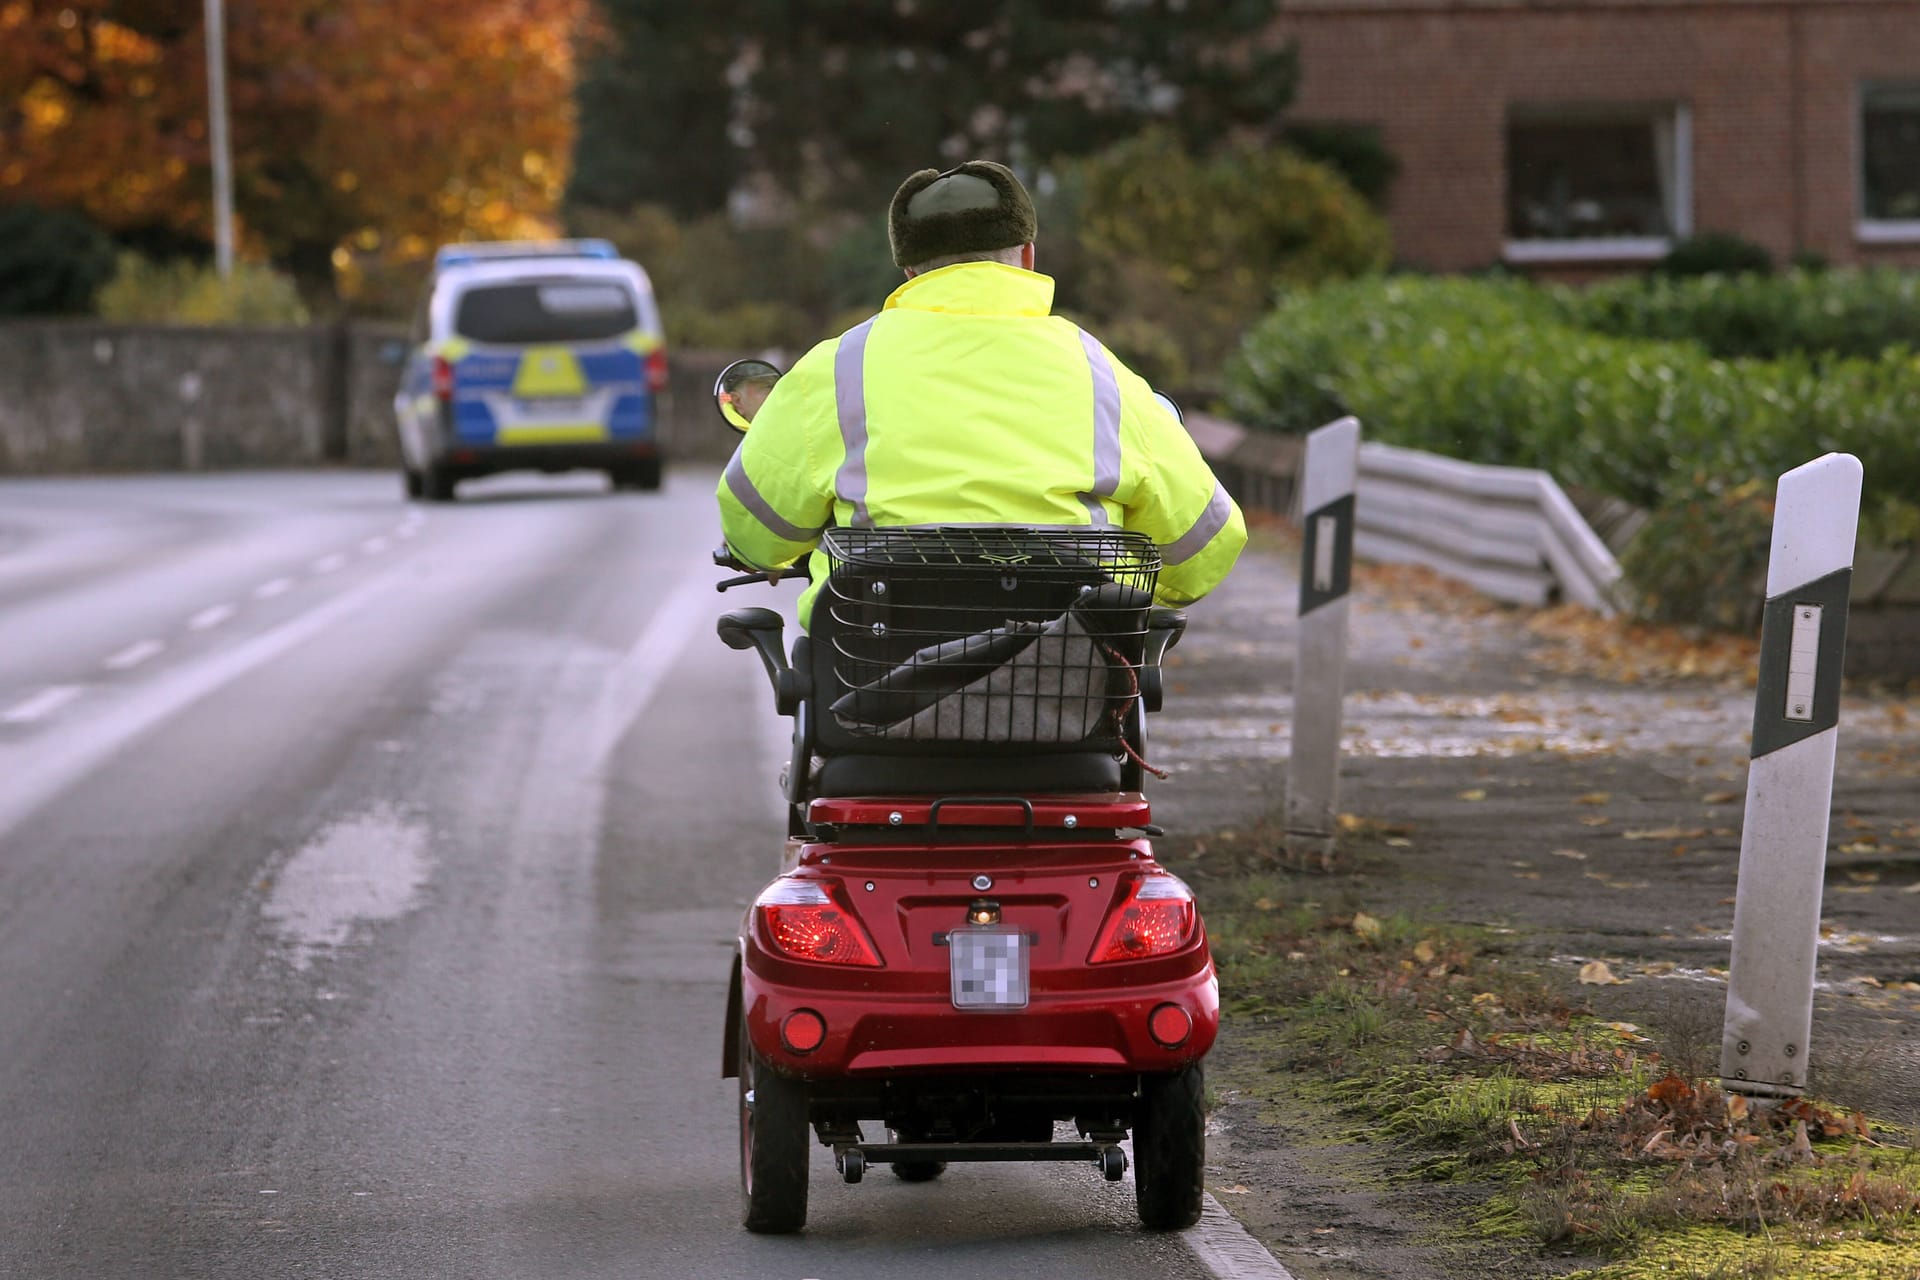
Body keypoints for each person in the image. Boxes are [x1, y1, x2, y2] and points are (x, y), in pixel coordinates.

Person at [717, 160, 1246, 627]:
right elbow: (1206, 546)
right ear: (1029, 255)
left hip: (873, 683)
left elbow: (754, 528)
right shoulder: (1100, 372)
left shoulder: (838, 368)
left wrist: (766, 554)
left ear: (909, 270)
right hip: (1071, 690)